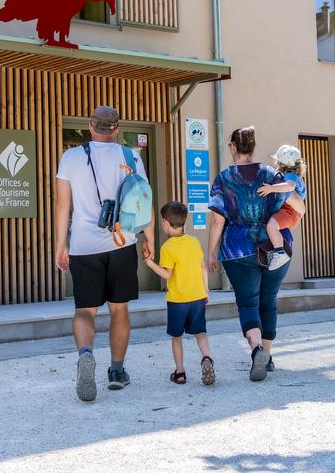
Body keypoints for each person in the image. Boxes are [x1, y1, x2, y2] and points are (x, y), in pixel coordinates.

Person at [54, 106, 154, 402]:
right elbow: (142, 199)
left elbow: (62, 206)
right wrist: (148, 238)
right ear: (117, 128)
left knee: (85, 311)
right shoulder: (131, 156)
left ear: (90, 126)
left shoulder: (70, 157)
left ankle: (86, 354)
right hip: (122, 243)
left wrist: (61, 245)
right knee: (119, 310)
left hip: (84, 245)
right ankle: (116, 371)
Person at [207, 127, 291, 382]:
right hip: (274, 247)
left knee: (248, 302)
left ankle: (256, 350)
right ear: (253, 147)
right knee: (269, 301)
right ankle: (268, 355)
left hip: (237, 248)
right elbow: (292, 202)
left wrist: (210, 252)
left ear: (233, 146)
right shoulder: (270, 173)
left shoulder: (224, 178)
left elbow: (217, 220)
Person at [144, 201, 215, 386]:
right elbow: (203, 267)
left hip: (177, 300)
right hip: (197, 296)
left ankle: (180, 372)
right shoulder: (194, 241)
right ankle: (207, 358)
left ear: (165, 222)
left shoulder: (168, 247)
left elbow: (167, 274)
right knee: (200, 333)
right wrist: (205, 290)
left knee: (177, 337)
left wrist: (150, 263)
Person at [257, 145, 308, 269]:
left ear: (283, 164)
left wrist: (271, 189)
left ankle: (280, 252)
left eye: (278, 162)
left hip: (290, 212)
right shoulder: (296, 176)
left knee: (271, 225)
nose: (276, 164)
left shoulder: (290, 176)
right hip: (291, 210)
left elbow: (289, 187)